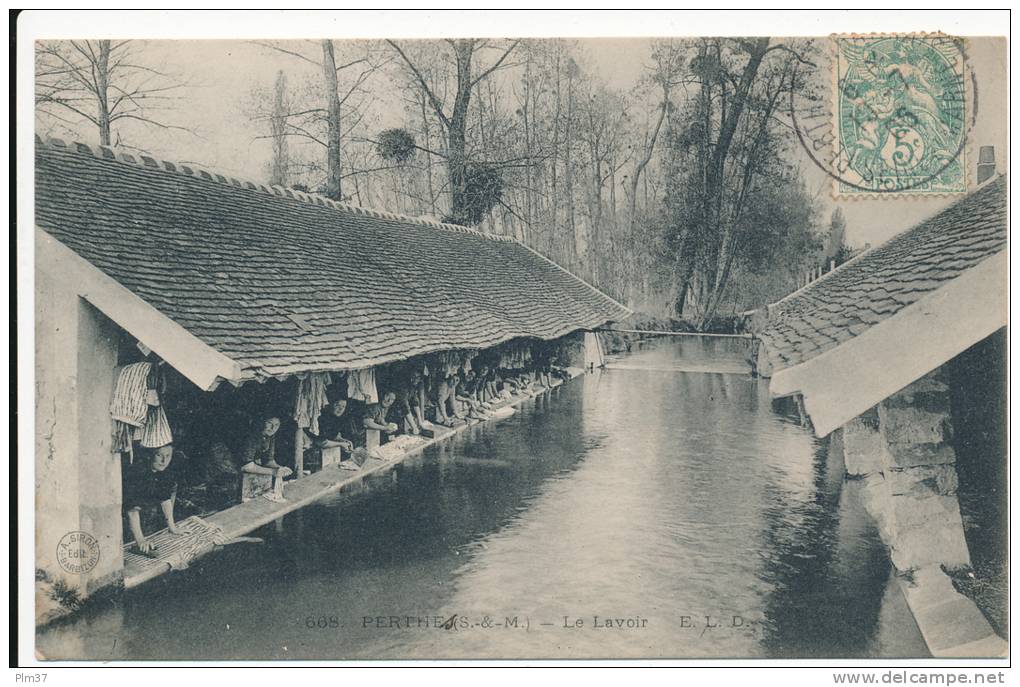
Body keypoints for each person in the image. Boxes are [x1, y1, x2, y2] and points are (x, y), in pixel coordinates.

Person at [124, 443, 191, 557]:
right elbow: (132, 511)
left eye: (168, 456)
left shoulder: (164, 473)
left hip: (145, 520)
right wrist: (140, 540)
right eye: (159, 455)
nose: (164, 460)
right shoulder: (138, 473)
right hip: (127, 521)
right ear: (151, 455)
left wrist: (172, 527)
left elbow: (165, 500)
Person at [241, 415, 292, 499]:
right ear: (261, 422)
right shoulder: (252, 436)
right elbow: (246, 466)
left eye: (277, 425)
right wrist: (273, 472)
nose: (273, 428)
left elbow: (268, 461)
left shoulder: (270, 435)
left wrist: (280, 468)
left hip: (247, 467)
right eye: (269, 423)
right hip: (228, 466)